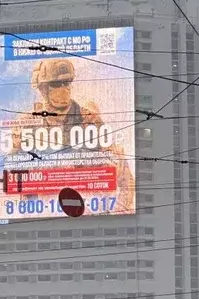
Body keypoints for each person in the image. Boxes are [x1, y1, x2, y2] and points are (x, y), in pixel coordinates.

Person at [13, 57, 136, 212]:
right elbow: (15, 170)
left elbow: (122, 170)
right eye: (56, 84)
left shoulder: (88, 119)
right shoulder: (27, 123)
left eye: (67, 82)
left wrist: (118, 210)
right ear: (42, 88)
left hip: (88, 207)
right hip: (47, 207)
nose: (64, 88)